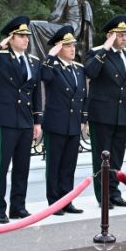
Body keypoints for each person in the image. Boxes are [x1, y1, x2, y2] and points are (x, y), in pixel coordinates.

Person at [0, 16, 42, 224]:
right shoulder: (1, 58)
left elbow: (36, 93)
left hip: (25, 120)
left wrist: (37, 121)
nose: (26, 40)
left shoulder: (33, 62)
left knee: (22, 167)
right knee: (2, 167)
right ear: (11, 38)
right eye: (21, 36)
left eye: (27, 37)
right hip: (6, 119)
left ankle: (18, 206)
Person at [84, 15, 126, 208]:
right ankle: (103, 196)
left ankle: (114, 192)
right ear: (109, 36)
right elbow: (90, 72)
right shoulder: (97, 52)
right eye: (119, 35)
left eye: (125, 34)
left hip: (122, 113)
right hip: (102, 114)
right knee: (102, 157)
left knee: (116, 157)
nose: (124, 38)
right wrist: (105, 47)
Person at [40, 25, 87, 215]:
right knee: (55, 165)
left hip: (73, 124)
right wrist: (50, 56)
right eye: (68, 46)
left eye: (73, 45)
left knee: (69, 165)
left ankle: (67, 200)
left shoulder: (78, 69)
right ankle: (54, 202)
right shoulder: (53, 67)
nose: (73, 49)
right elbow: (44, 76)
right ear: (59, 48)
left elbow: (83, 95)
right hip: (56, 123)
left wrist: (83, 118)